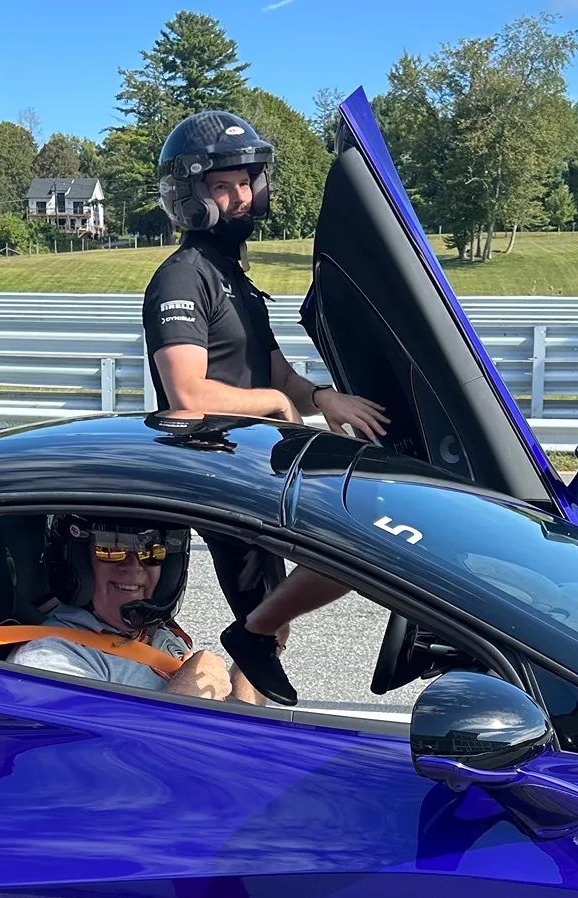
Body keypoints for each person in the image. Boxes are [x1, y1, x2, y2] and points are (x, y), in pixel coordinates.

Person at [142, 109, 386, 707]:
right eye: (221, 187)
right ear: (190, 197)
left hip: (252, 456)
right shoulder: (181, 280)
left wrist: (320, 397)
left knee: (272, 619)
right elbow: (188, 394)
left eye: (245, 182)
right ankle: (247, 692)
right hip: (214, 465)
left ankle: (248, 694)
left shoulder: (232, 278)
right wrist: (276, 404)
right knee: (348, 550)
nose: (239, 197)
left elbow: (271, 368)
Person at [9, 513, 262, 703]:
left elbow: (247, 728)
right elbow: (99, 762)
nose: (134, 565)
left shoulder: (155, 632)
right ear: (79, 563)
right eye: (111, 549)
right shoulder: (48, 660)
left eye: (153, 551)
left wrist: (261, 640)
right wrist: (190, 697)